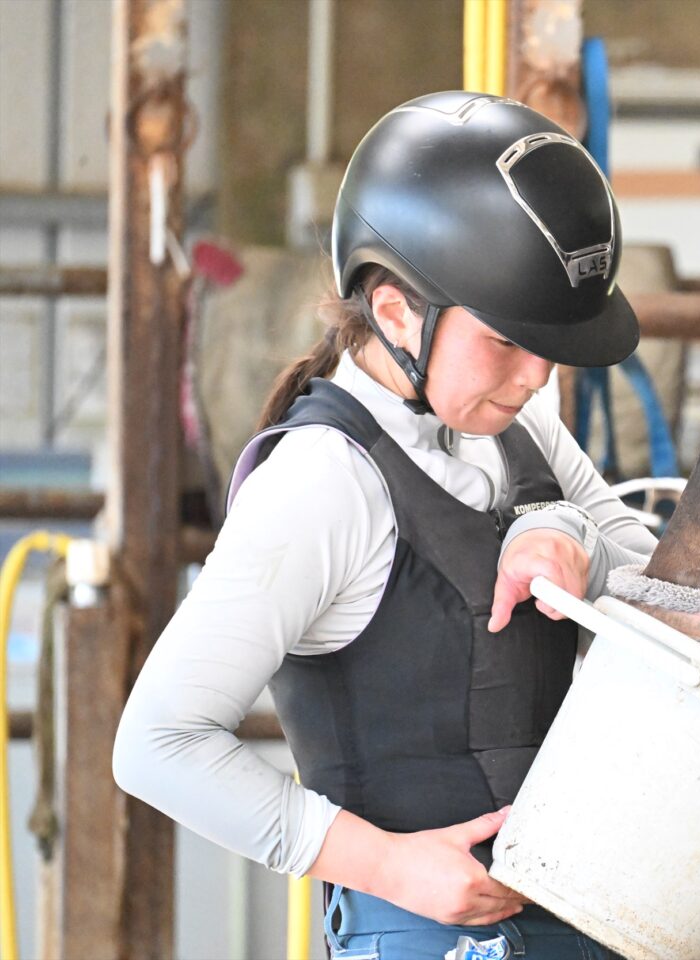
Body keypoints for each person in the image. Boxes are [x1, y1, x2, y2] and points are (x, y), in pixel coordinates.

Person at [113, 92, 656, 960]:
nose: (536, 377)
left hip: (589, 915)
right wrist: (389, 867)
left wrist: (567, 535)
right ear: (398, 310)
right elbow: (156, 743)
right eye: (507, 341)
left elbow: (660, 587)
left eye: (546, 346)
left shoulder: (514, 428)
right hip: (430, 933)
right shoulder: (322, 482)